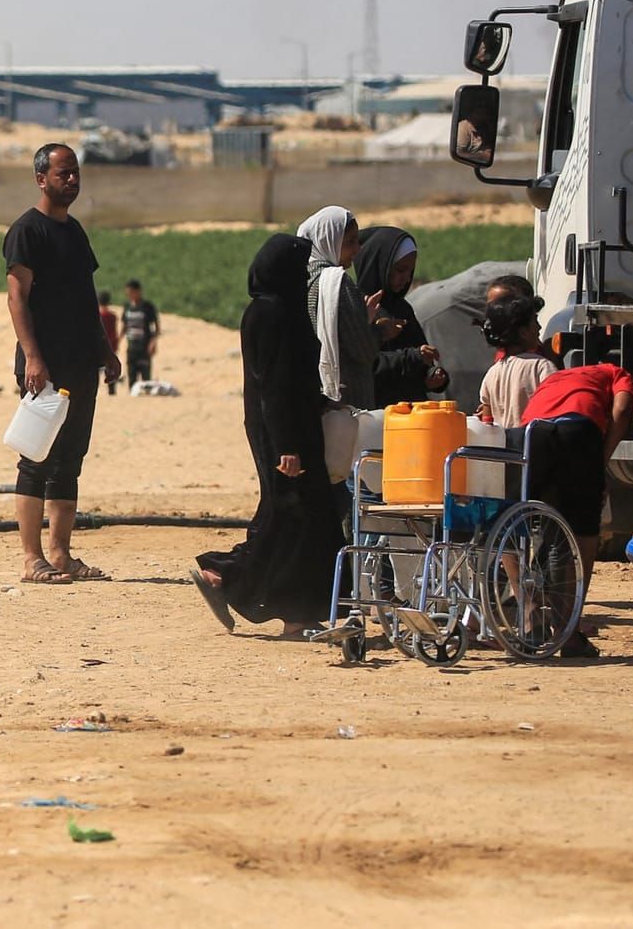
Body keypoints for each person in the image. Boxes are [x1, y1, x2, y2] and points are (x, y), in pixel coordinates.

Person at [192, 235, 344, 636]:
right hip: (285, 434)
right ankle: (236, 580)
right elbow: (276, 385)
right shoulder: (276, 314)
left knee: (291, 515)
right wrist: (288, 447)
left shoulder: (269, 310)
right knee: (296, 515)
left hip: (285, 428)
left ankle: (261, 594)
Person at [1, 144, 123, 584]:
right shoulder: (26, 231)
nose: (71, 180)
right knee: (36, 457)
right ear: (41, 179)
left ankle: (61, 554)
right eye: (63, 174)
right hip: (44, 366)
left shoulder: (75, 232)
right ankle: (32, 558)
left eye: (75, 174)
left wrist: (104, 349)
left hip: (80, 362)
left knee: (70, 458)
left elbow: (86, 298)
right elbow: (17, 298)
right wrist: (33, 357)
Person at [520, 361, 633, 658]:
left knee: (522, 519)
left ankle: (529, 615)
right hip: (577, 429)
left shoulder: (556, 378)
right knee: (581, 532)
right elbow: (623, 410)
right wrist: (601, 459)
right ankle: (568, 633)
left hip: (531, 432)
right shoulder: (615, 373)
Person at [298, 206, 386, 413]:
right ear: (328, 240)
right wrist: (380, 330)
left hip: (315, 395)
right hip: (348, 397)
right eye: (349, 242)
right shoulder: (337, 283)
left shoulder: (301, 278)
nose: (357, 249)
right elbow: (362, 349)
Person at [354, 227, 450, 407]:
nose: (406, 279)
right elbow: (364, 366)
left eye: (409, 272)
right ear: (379, 265)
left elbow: (418, 362)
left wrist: (431, 376)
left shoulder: (402, 309)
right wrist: (412, 357)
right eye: (400, 270)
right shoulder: (358, 308)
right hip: (375, 418)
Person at [477, 296, 554, 428]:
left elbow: (487, 423)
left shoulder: (492, 373)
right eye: (535, 321)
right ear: (523, 332)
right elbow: (554, 407)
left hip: (502, 446)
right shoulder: (541, 367)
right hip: (531, 445)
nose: (539, 327)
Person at [122, 280, 160, 389]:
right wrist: (117, 341)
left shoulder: (147, 306)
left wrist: (153, 343)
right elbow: (124, 325)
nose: (130, 295)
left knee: (146, 378)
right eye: (128, 293)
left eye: (131, 292)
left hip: (144, 347)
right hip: (131, 347)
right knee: (131, 377)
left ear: (138, 291)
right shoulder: (127, 306)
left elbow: (156, 327)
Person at [98, 291, 121, 395]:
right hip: (111, 344)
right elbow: (113, 331)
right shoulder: (112, 316)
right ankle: (111, 390)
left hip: (99, 345)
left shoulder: (98, 315)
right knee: (110, 368)